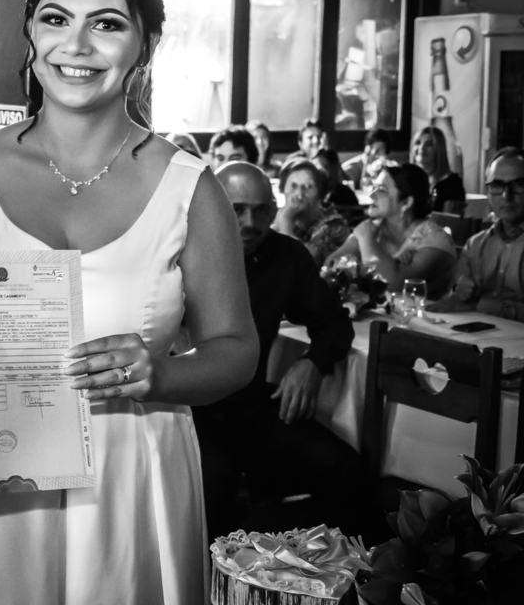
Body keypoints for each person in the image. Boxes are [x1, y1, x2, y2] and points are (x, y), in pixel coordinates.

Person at [0, 0, 258, 605]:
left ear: (147, 47)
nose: (76, 46)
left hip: (131, 477)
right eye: (56, 19)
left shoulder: (191, 188)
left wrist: (163, 373)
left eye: (107, 24)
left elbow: (239, 349)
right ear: (31, 32)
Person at [196, 163, 369, 542]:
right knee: (212, 487)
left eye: (261, 210)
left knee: (346, 468)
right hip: (192, 414)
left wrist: (311, 363)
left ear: (275, 211)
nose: (250, 221)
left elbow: (334, 324)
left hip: (252, 409)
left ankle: (336, 582)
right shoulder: (182, 250)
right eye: (237, 208)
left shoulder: (285, 255)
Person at [326, 163, 457, 297]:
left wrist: (366, 240)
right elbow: (330, 267)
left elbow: (392, 284)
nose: (372, 195)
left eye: (381, 190)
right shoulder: (374, 228)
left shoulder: (434, 240)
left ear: (406, 203)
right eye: (374, 187)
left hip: (436, 317)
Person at [430, 148, 524, 321]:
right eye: (497, 186)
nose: (506, 195)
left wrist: (479, 304)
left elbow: (471, 305)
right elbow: (453, 299)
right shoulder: (475, 244)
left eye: (518, 185)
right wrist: (458, 290)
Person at [274, 158, 350, 267]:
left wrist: (286, 220)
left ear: (320, 195)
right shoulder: (287, 219)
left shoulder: (333, 225)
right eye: (293, 186)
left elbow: (299, 266)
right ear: (283, 189)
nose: (299, 195)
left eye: (308, 187)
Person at [411, 125, 466, 214]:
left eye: (429, 144)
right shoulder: (408, 180)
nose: (421, 147)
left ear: (439, 149)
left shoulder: (453, 184)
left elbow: (452, 221)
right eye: (418, 143)